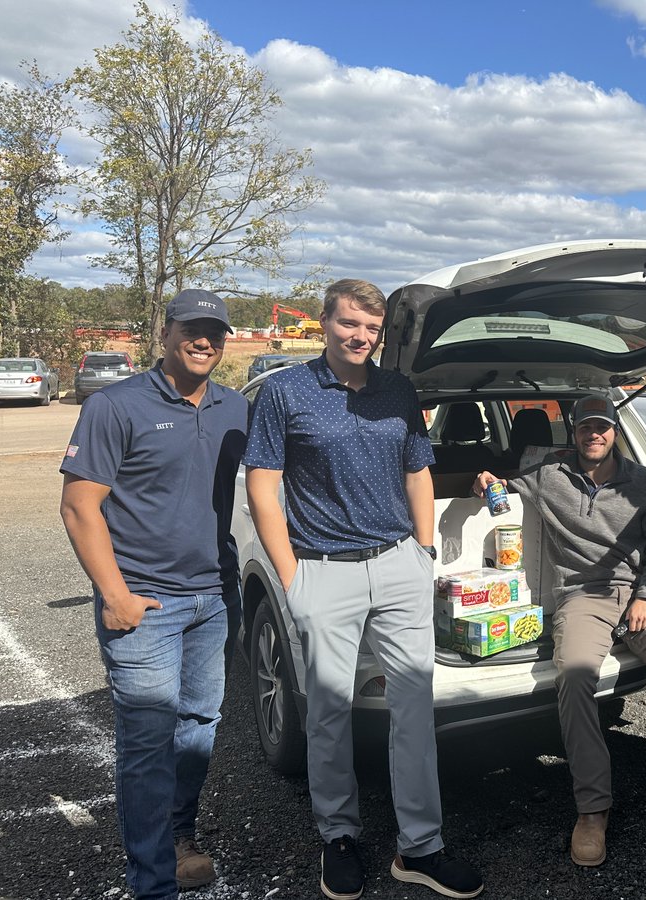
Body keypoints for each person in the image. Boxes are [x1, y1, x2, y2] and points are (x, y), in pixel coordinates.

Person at [243, 279, 483, 900]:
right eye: (350, 324)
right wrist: (292, 578)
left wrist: (424, 552)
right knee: (327, 711)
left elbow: (418, 472)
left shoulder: (398, 390)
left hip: (399, 563)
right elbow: (263, 487)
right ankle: (339, 837)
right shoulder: (285, 391)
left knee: (414, 709)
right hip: (322, 568)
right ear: (325, 322)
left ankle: (420, 846)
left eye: (371, 329)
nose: (360, 337)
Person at [473, 394, 646, 875]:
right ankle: (592, 811)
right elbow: (500, 487)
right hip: (582, 598)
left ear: (615, 431)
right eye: (586, 427)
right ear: (575, 431)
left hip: (640, 595)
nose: (595, 435)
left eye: (603, 427)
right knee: (576, 679)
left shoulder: (643, 483)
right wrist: (486, 479)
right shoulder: (547, 477)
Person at [59, 289, 248, 899]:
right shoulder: (116, 405)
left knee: (197, 726)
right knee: (146, 741)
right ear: (165, 332)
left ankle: (177, 837)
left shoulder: (235, 409)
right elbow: (79, 506)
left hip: (213, 598)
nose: (204, 341)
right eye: (191, 329)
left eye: (214, 332)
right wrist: (115, 596)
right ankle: (153, 883)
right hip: (144, 605)